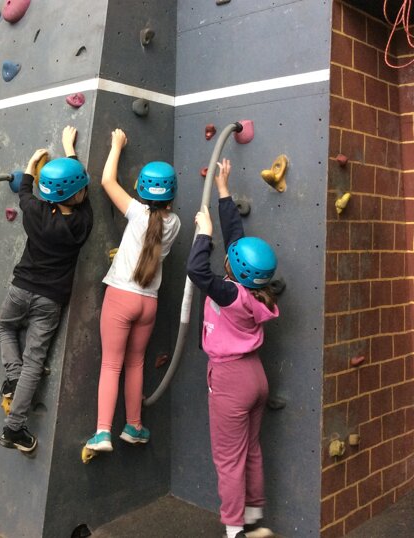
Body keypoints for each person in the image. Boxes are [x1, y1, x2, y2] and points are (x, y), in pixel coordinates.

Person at [186, 158, 279, 538]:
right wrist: (224, 191)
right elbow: (238, 241)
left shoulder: (228, 293)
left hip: (230, 378)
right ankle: (253, 516)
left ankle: (234, 530)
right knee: (250, 449)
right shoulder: (255, 292)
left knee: (228, 458)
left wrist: (204, 234)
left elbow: (197, 271)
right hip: (255, 376)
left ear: (233, 268)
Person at [0, 125, 93, 453]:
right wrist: (70, 147)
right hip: (50, 299)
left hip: (20, 288)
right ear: (77, 195)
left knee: (6, 328)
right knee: (34, 360)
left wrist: (32, 163)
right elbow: (83, 194)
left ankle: (13, 377)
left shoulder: (34, 211)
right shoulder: (82, 222)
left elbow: (24, 191)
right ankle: (13, 428)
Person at [84, 129, 181, 454]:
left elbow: (107, 181)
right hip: (148, 302)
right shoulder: (175, 224)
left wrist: (116, 146)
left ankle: (102, 433)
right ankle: (133, 426)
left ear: (141, 189)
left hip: (121, 297)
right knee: (135, 363)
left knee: (111, 365)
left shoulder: (137, 212)